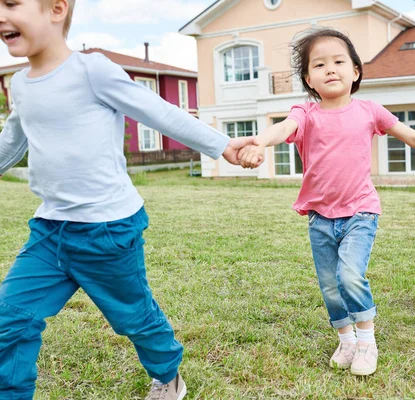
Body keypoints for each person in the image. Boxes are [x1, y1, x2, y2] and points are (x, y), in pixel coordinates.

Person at [0, 0, 256, 398]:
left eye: (11, 3)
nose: (1, 14)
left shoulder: (91, 70)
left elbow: (158, 112)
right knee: (10, 318)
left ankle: (168, 373)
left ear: (56, 9)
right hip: (49, 230)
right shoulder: (20, 83)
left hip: (107, 230)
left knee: (133, 317)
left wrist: (222, 145)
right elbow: (12, 141)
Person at [238, 27, 415, 376]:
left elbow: (411, 134)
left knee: (349, 275)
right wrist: (258, 143)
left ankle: (367, 343)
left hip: (360, 211)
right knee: (329, 284)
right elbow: (281, 128)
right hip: (320, 218)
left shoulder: (369, 110)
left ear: (355, 71)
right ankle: (346, 340)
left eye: (339, 61)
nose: (330, 69)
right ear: (309, 78)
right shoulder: (306, 114)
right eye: (320, 64)